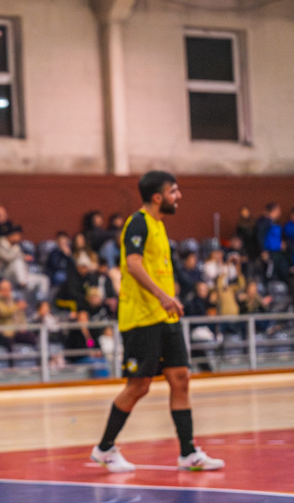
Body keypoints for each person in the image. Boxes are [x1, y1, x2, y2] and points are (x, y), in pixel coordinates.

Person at [90, 171, 224, 473]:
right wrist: (163, 296)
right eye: (174, 191)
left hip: (165, 317)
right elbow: (132, 264)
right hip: (142, 318)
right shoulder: (138, 223)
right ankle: (105, 448)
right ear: (157, 196)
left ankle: (188, 453)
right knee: (139, 386)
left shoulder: (159, 225)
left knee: (180, 377)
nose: (179, 196)